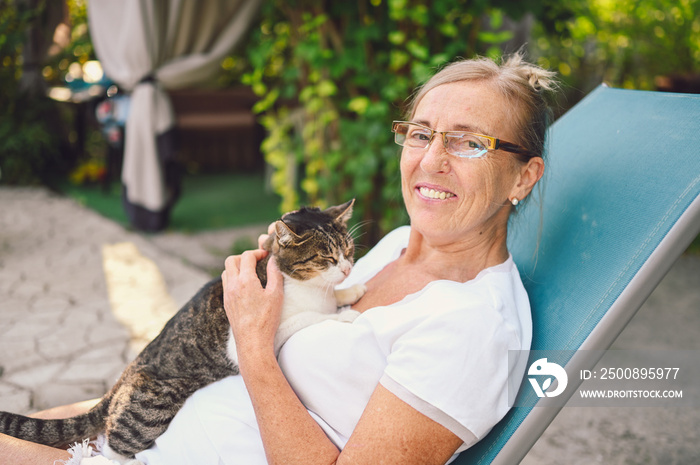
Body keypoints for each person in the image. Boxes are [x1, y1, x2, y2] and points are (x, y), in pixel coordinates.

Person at [0, 52, 556, 465]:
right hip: (147, 434)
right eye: (421, 133)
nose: (431, 160)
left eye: (469, 142)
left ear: (523, 177)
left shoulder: (472, 326)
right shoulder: (394, 245)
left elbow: (265, 361)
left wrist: (252, 341)